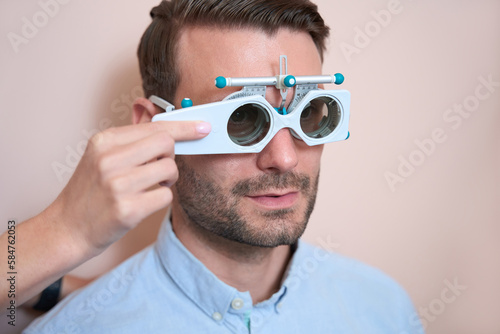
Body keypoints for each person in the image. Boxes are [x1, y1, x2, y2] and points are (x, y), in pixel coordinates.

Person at [21, 0, 423, 333]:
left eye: (310, 112)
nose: (283, 158)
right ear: (150, 128)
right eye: (241, 120)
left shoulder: (384, 310)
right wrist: (63, 230)